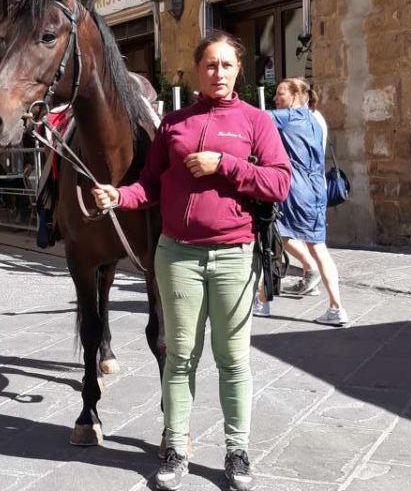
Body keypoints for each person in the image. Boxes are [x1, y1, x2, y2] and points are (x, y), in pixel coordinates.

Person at [92, 31, 291, 491]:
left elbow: (279, 183)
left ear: (238, 69)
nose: (218, 73)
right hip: (177, 255)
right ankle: (176, 447)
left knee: (233, 360)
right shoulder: (174, 124)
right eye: (209, 65)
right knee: (179, 357)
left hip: (234, 256)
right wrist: (118, 195)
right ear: (197, 70)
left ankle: (237, 451)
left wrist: (224, 164)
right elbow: (150, 186)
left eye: (226, 64)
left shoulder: (256, 121)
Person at [253, 78, 348, 327]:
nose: (276, 98)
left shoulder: (288, 117)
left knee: (274, 243)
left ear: (295, 96)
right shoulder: (315, 120)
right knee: (318, 249)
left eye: (280, 93)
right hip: (317, 190)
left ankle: (262, 302)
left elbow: (254, 118)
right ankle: (336, 308)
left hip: (296, 191)